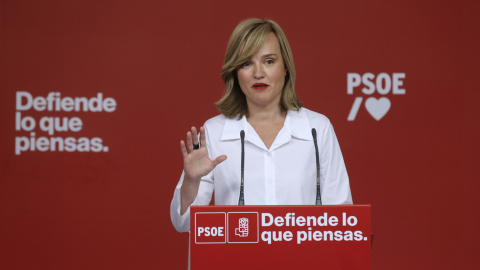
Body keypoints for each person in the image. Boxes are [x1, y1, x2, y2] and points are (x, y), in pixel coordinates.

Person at [170, 18, 352, 232]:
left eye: (269, 61)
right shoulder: (213, 132)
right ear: (235, 72)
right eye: (247, 63)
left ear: (285, 67)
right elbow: (183, 224)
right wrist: (191, 182)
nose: (258, 73)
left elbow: (342, 221)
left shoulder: (317, 129)